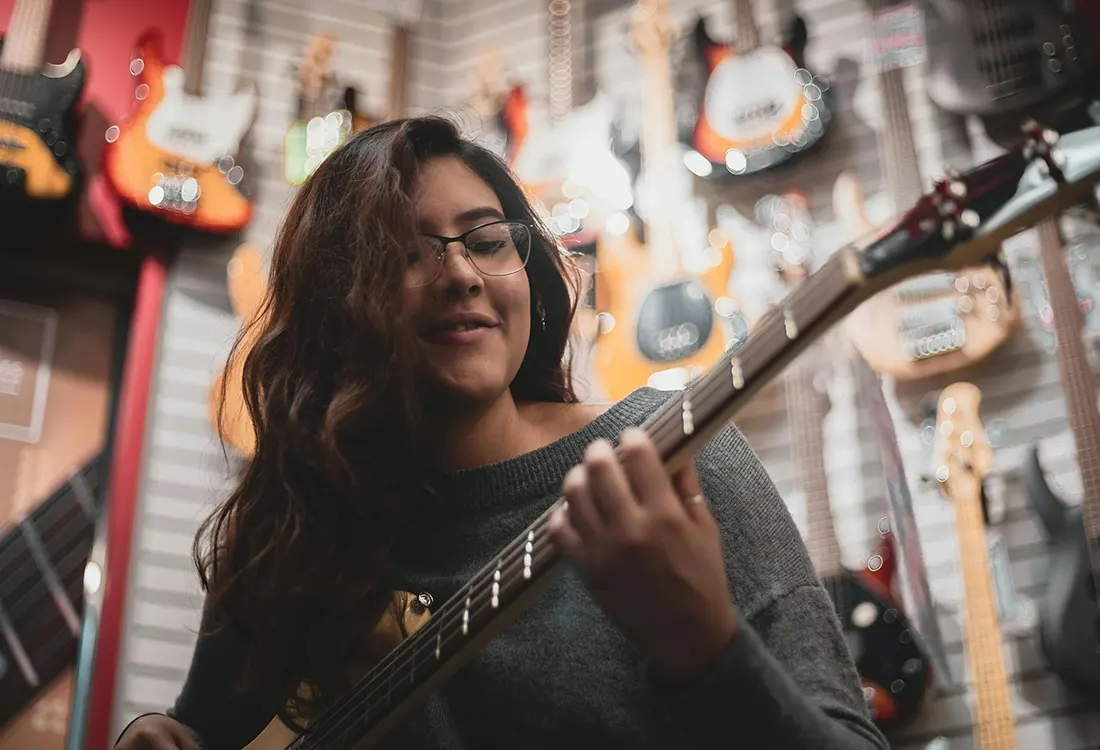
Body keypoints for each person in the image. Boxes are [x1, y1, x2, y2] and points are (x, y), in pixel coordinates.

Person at [113, 116, 889, 750]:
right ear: (332, 303)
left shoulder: (674, 457)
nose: (461, 275)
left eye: (487, 240)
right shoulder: (287, 522)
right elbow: (206, 732)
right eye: (405, 254)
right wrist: (158, 732)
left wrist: (708, 648)